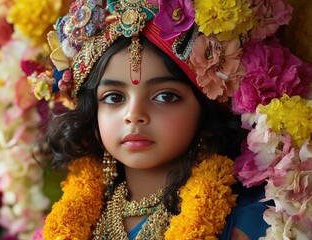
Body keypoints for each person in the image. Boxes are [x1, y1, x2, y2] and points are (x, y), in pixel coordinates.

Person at [28, 0, 288, 239]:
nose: (134, 115)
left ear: (204, 109)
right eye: (114, 98)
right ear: (92, 114)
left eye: (165, 96)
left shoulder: (251, 219)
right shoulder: (71, 218)